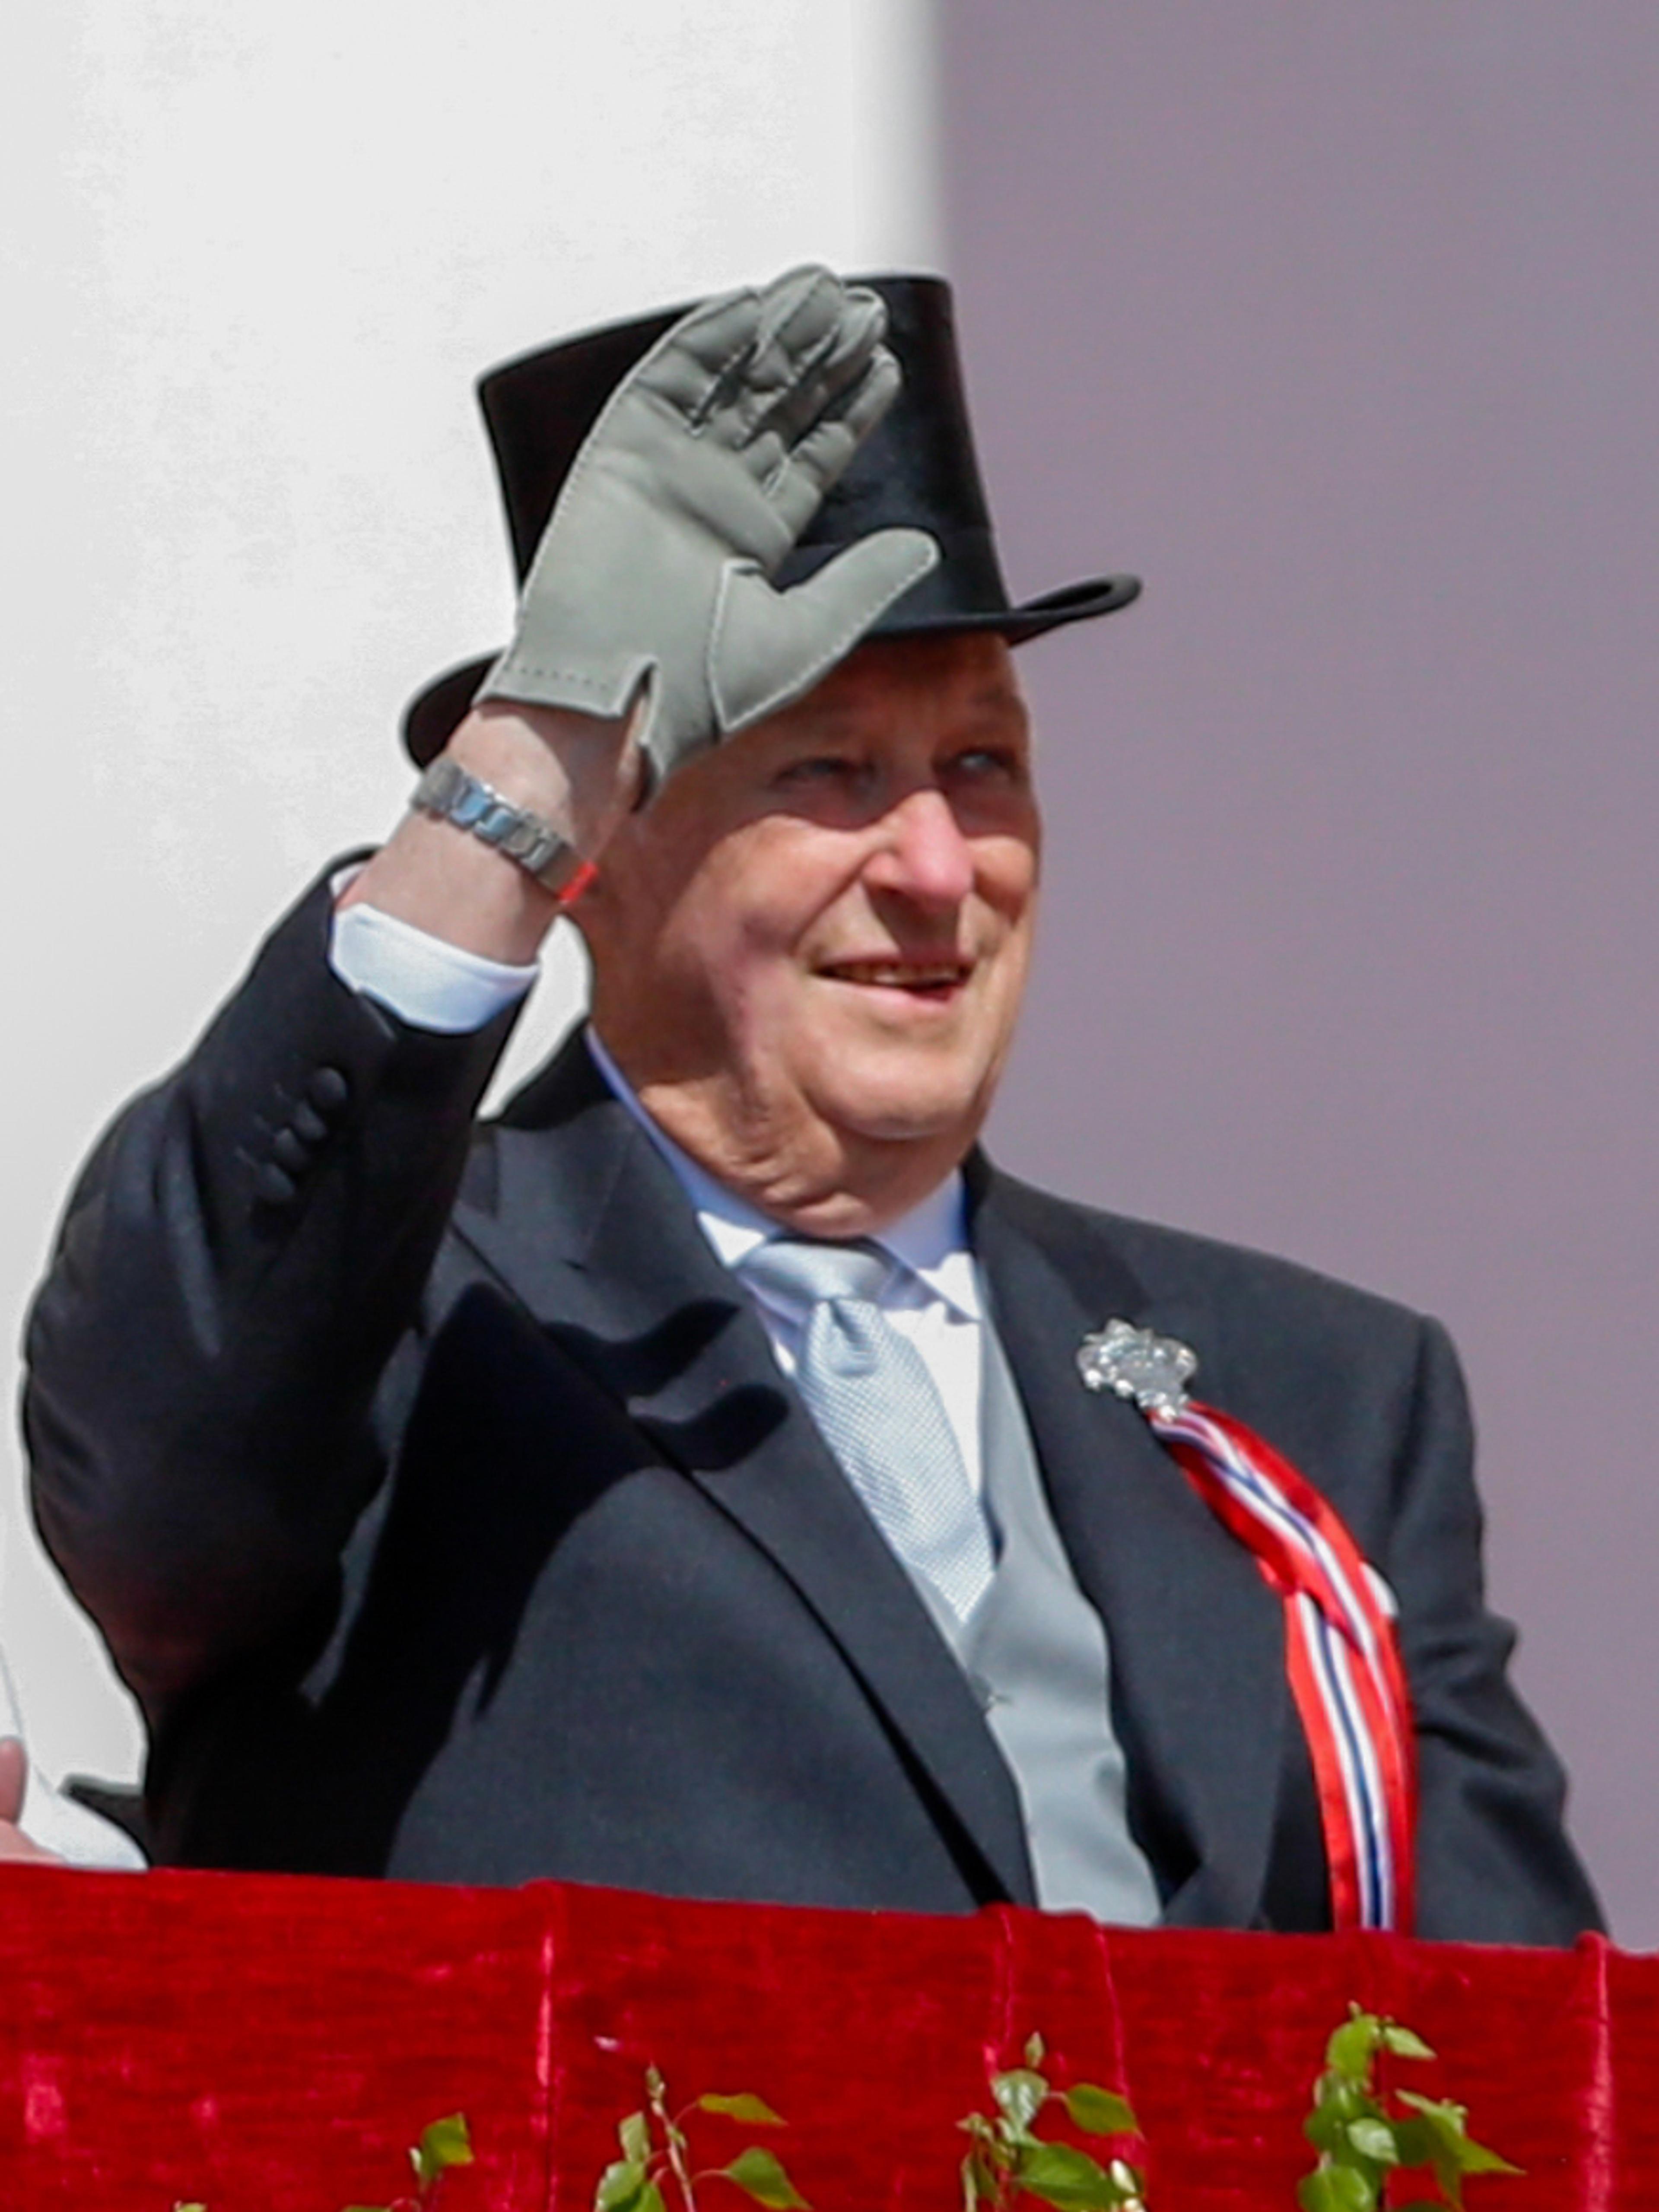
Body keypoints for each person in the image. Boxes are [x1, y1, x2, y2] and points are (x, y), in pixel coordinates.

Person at [23, 267, 1599, 1940]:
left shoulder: (1320, 1388)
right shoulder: (400, 1313)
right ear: (600, 849)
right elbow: (156, 1489)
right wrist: (537, 754)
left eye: (982, 766)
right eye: (828, 772)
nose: (938, 868)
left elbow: (1524, 2028)